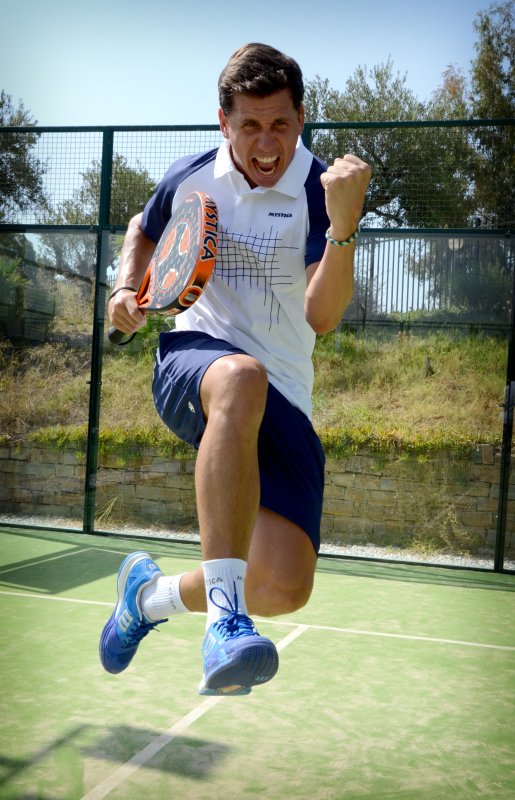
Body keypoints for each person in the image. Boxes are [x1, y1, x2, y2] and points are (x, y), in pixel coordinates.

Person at [100, 43, 371, 696]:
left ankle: (148, 598)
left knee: (283, 584)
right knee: (240, 377)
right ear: (224, 123)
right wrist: (123, 287)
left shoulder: (315, 188)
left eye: (279, 123)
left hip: (284, 392)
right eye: (249, 124)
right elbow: (143, 225)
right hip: (195, 359)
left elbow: (322, 315)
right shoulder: (192, 175)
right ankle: (224, 621)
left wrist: (343, 227)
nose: (265, 141)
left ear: (300, 119)